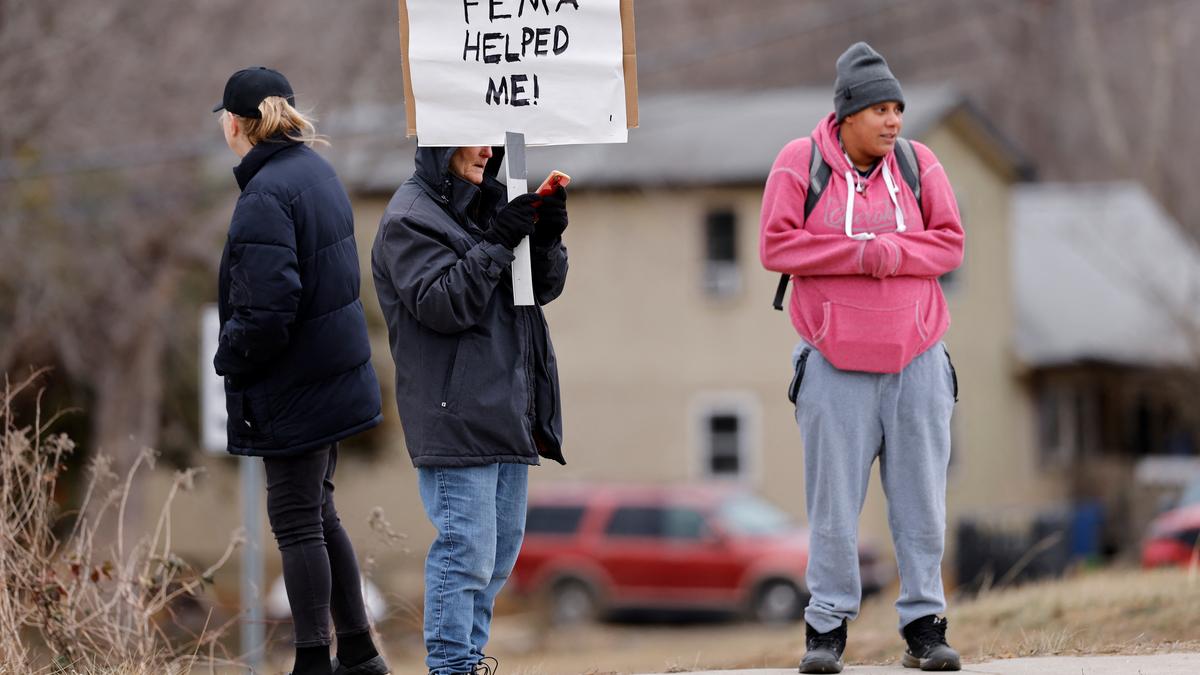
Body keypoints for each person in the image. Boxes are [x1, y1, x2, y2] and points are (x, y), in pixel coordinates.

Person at [760, 43, 965, 673]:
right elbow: (776, 245)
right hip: (833, 363)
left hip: (919, 360)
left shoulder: (918, 162)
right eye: (879, 108)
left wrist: (895, 254)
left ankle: (925, 629)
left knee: (922, 504)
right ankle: (825, 631)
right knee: (832, 508)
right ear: (846, 114)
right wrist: (856, 252)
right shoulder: (801, 163)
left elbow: (950, 243)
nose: (893, 120)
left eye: (898, 108)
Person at [212, 66, 389, 675]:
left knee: (295, 521)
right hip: (329, 378)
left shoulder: (264, 194)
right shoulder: (314, 172)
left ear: (234, 124)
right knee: (319, 511)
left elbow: (266, 311)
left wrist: (227, 356)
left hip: (294, 388)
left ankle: (314, 660)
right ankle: (360, 653)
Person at [371, 144, 568, 675]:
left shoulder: (495, 200)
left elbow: (540, 289)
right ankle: (451, 666)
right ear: (440, 142)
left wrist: (546, 238)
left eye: (492, 140)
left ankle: (468, 660)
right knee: (467, 553)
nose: (487, 151)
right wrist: (500, 240)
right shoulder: (409, 219)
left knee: (497, 557)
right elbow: (442, 303)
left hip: (509, 406)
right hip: (454, 410)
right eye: (473, 138)